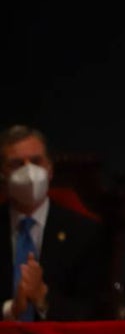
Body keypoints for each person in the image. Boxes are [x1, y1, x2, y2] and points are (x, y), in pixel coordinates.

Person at [1, 124, 113, 322]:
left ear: (50, 169)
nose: (29, 172)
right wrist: (12, 310)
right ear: (3, 174)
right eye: (17, 164)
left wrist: (43, 298)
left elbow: (94, 310)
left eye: (36, 161)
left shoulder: (84, 233)